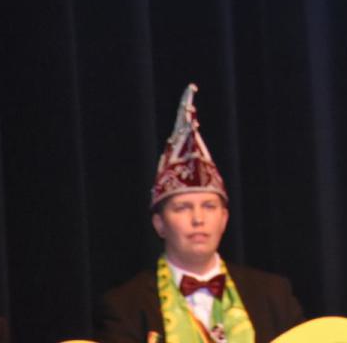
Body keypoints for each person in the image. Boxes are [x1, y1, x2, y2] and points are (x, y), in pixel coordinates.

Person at [95, 84, 304, 343]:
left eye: (209, 206)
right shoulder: (125, 306)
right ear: (159, 224)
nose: (198, 219)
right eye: (183, 208)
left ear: (224, 219)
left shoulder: (273, 295)